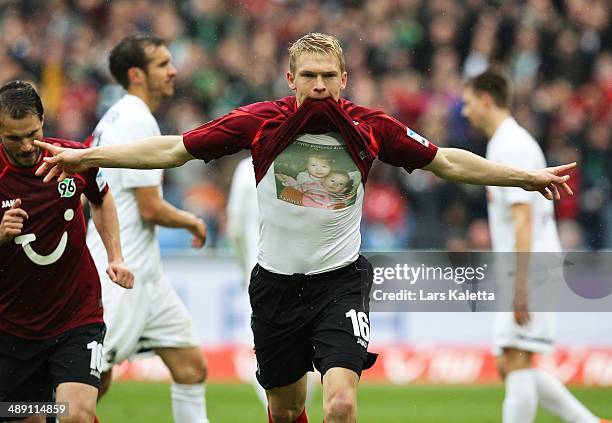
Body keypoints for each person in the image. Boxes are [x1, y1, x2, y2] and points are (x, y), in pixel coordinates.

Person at [35, 33, 576, 423]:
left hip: (339, 282)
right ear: (290, 79)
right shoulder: (261, 121)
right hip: (275, 288)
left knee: (339, 404)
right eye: (308, 76)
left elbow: (447, 161)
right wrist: (90, 158)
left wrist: (523, 178)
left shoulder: (371, 127)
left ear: (344, 79)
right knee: (286, 408)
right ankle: (35, 407)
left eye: (328, 76)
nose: (319, 86)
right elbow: (172, 149)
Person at [462, 70, 607, 423]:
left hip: (529, 265)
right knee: (510, 361)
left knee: (515, 361)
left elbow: (523, 218)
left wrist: (521, 283)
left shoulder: (509, 144)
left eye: (467, 103)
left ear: (485, 99)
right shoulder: (509, 141)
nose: (465, 112)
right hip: (528, 262)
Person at [85, 35, 210, 423]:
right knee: (91, 383)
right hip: (120, 273)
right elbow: (149, 207)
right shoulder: (137, 118)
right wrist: (192, 219)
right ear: (136, 74)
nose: (173, 70)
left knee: (191, 367)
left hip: (147, 274)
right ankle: (26, 414)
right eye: (162, 64)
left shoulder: (118, 114)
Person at [0, 80, 133, 423]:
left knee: (75, 415)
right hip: (12, 327)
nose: (27, 146)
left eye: (32, 133)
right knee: (26, 416)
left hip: (76, 316)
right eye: (14, 138)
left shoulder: (72, 157)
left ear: (43, 121)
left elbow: (102, 200)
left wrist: (115, 255)